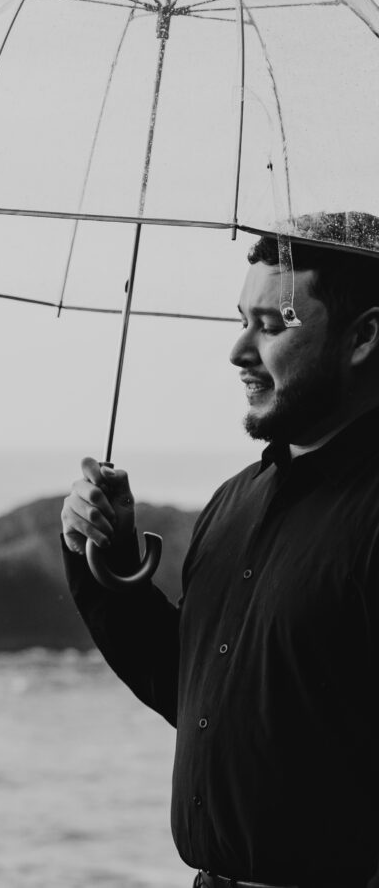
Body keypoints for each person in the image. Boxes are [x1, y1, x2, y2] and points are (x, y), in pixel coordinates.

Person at [60, 212, 379, 888]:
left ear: (364, 338)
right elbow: (195, 688)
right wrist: (110, 559)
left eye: (273, 324)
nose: (239, 350)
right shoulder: (237, 499)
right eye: (242, 319)